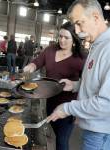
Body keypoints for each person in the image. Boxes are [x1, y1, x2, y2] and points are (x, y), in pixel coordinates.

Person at [48, 0, 110, 150]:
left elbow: (108, 103)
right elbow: (98, 83)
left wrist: (67, 108)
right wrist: (75, 85)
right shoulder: (97, 45)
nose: (77, 31)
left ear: (96, 17)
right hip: (95, 131)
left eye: (80, 23)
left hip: (103, 134)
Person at [24, 22, 85, 150]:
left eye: (66, 37)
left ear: (74, 39)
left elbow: (86, 84)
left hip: (68, 107)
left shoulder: (80, 58)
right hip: (50, 102)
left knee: (62, 141)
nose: (62, 40)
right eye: (60, 36)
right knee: (56, 134)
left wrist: (79, 112)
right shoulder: (50, 50)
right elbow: (37, 62)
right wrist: (31, 66)